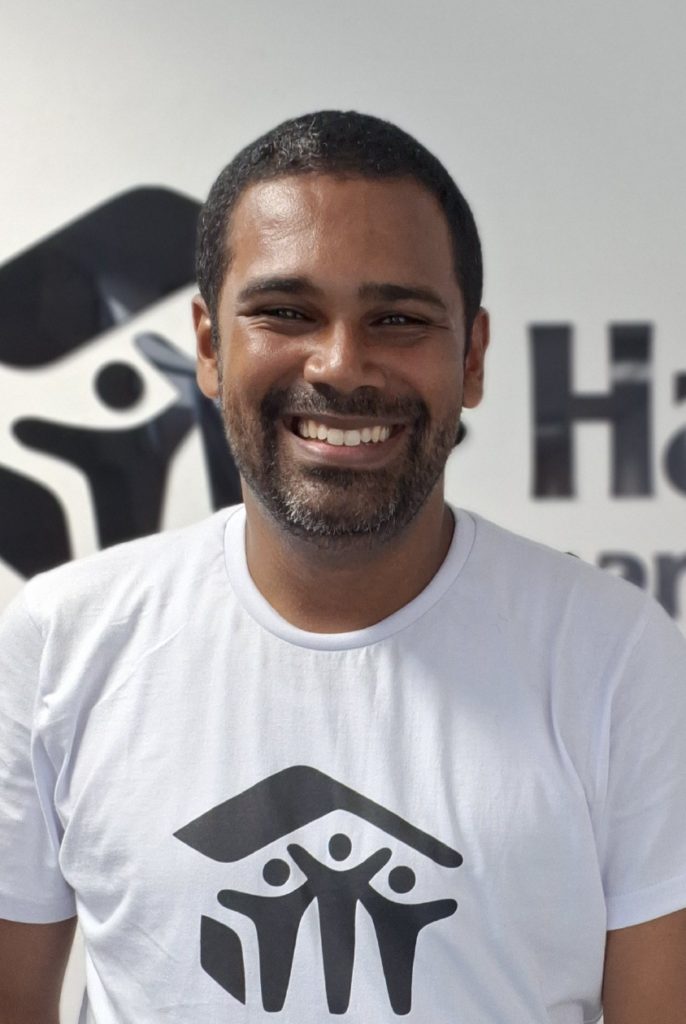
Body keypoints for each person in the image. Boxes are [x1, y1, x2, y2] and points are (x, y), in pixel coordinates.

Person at [0, 110, 685, 1024]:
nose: (339, 364)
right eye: (286, 313)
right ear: (207, 346)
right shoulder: (60, 642)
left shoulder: (616, 657)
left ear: (473, 358)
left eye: (398, 319)